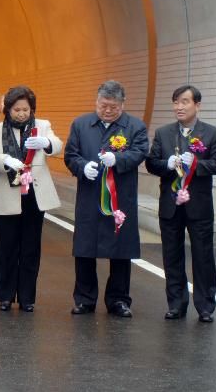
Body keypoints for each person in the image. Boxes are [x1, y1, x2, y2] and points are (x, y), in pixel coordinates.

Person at [63, 80, 147, 317]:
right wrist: (81, 166)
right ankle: (84, 299)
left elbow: (140, 152)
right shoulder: (81, 124)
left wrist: (118, 160)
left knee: (121, 250)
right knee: (85, 248)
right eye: (103, 105)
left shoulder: (135, 126)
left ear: (122, 104)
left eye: (113, 106)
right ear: (96, 102)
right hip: (90, 197)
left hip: (120, 198)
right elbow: (71, 154)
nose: (108, 110)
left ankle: (118, 300)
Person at [145, 85, 216, 322]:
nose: (179, 107)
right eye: (176, 102)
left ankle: (206, 306)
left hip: (199, 206)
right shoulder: (163, 133)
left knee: (203, 255)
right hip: (170, 205)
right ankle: (176, 304)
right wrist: (167, 164)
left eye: (184, 102)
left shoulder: (211, 133)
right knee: (172, 255)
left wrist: (196, 165)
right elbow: (151, 163)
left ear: (197, 105)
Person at [0, 85, 61, 312]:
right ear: (8, 109)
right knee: (6, 247)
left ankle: (27, 297)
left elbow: (57, 145)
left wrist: (45, 144)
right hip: (9, 193)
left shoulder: (42, 126)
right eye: (17, 110)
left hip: (34, 196)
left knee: (30, 247)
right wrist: (5, 159)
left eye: (26, 109)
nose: (22, 114)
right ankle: (5, 296)